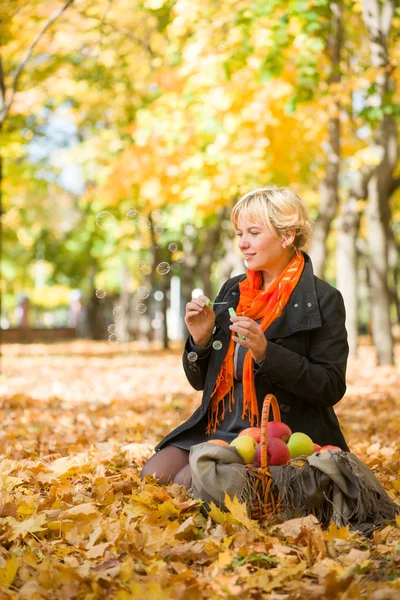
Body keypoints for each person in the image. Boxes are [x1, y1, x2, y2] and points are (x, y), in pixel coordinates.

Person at [140, 186, 350, 487]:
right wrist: (199, 343)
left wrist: (267, 353)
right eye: (239, 233)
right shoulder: (234, 290)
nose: (242, 244)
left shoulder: (323, 298)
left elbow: (331, 386)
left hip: (277, 435)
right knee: (153, 476)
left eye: (253, 233)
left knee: (187, 482)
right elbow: (201, 382)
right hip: (221, 425)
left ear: (287, 236)